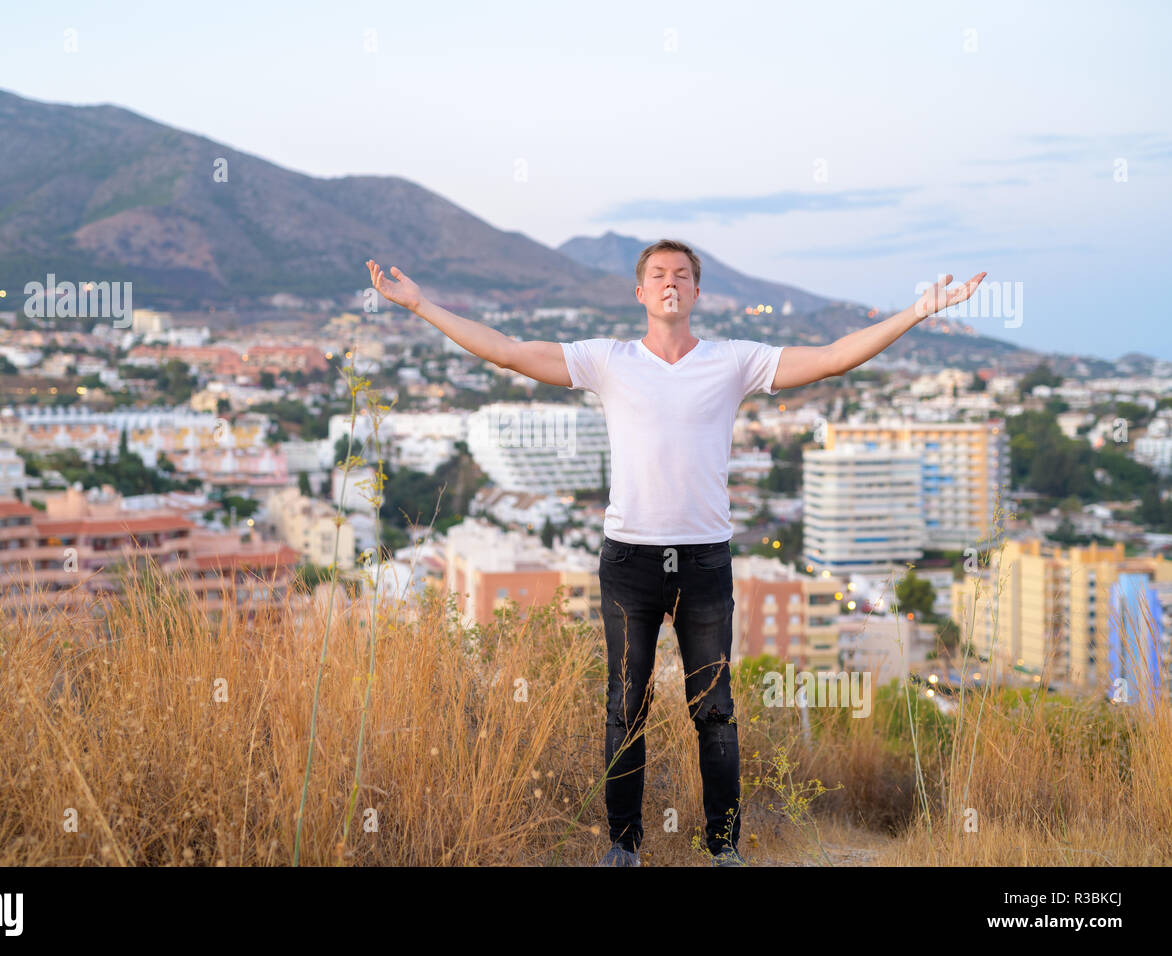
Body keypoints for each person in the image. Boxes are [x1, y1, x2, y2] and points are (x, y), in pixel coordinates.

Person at [366, 241, 984, 867]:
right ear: (640, 293)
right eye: (658, 274)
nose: (670, 282)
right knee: (625, 707)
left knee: (714, 712)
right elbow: (509, 352)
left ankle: (723, 849)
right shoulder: (607, 360)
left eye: (682, 275)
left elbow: (829, 359)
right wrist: (420, 304)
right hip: (629, 562)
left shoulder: (733, 361)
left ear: (696, 293)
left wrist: (919, 310)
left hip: (704, 563)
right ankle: (624, 847)